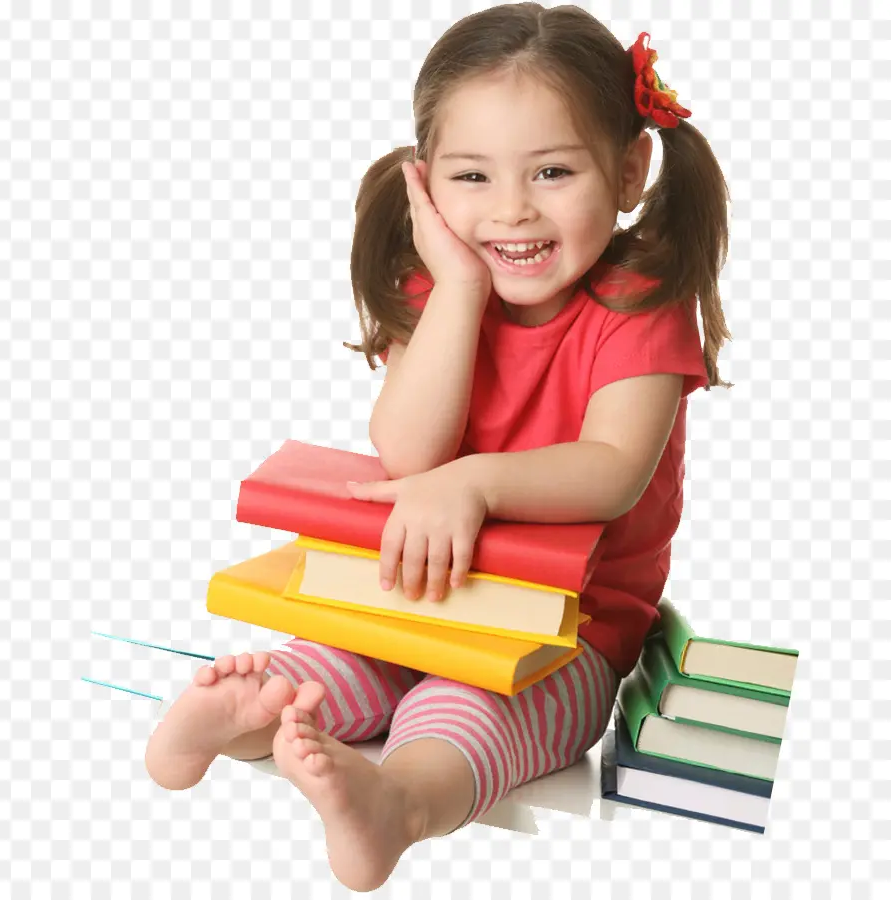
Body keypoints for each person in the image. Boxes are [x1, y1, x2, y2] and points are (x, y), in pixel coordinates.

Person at [145, 3, 732, 892]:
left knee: (468, 704)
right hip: (423, 588)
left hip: (569, 628)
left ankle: (400, 804)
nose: (511, 211)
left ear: (628, 170)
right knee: (337, 660)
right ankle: (245, 713)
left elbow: (613, 470)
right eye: (471, 176)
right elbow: (409, 451)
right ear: (426, 186)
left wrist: (479, 484)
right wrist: (458, 286)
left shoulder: (638, 300)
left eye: (552, 171)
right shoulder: (443, 283)